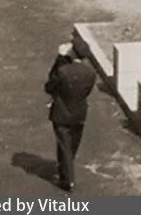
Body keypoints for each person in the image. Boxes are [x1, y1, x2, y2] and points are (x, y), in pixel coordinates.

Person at [44, 41, 97, 193]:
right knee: (72, 144)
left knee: (64, 145)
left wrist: (59, 58)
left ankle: (68, 180)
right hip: (80, 113)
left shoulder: (63, 71)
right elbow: (86, 92)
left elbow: (49, 86)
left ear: (72, 53)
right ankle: (66, 169)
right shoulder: (90, 73)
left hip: (61, 113)